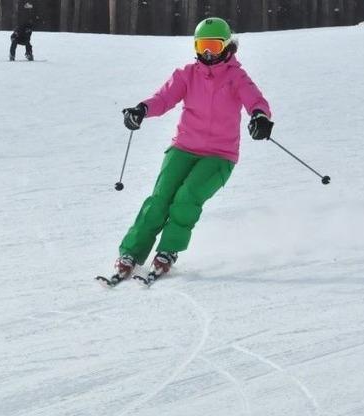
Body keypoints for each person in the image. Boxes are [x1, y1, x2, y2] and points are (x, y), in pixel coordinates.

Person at [110, 17, 274, 283]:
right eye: (202, 45)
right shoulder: (187, 74)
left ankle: (168, 251)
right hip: (184, 147)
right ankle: (131, 252)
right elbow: (163, 98)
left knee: (186, 198)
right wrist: (141, 110)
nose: (207, 52)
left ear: (227, 46)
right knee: (160, 199)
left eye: (213, 45)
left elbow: (255, 100)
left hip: (219, 155)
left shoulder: (236, 77)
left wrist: (260, 117)